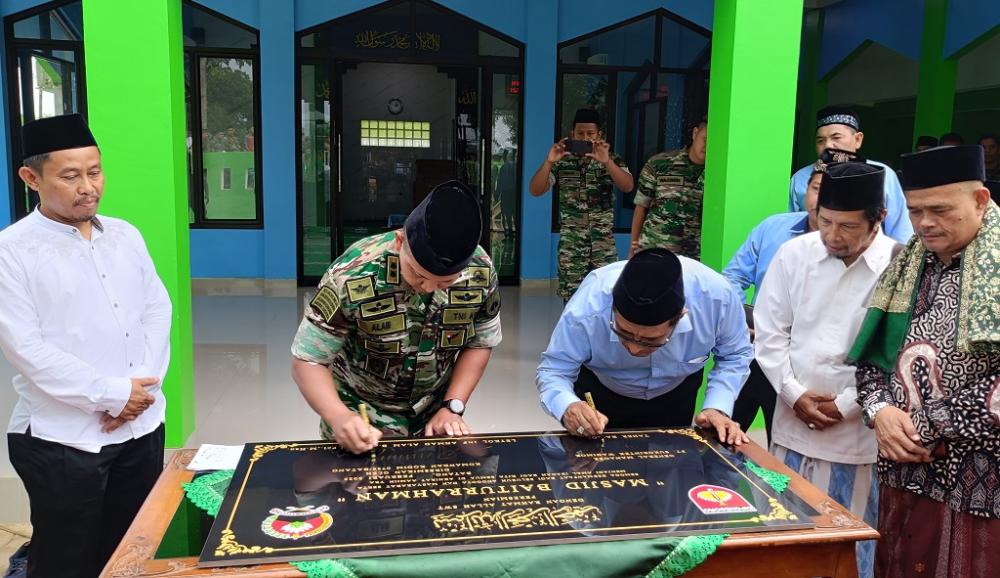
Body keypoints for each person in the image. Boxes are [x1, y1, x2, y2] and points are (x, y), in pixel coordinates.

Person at [0, 114, 172, 578]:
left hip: (140, 429)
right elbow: (26, 348)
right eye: (70, 176)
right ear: (31, 178)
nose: (88, 187)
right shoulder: (11, 251)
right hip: (64, 439)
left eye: (94, 172)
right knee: (66, 559)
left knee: (133, 546)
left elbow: (157, 310)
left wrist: (141, 393)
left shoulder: (125, 234)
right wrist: (114, 395)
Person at [850, 145, 1000, 577]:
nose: (925, 223)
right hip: (902, 470)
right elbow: (871, 357)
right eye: (915, 211)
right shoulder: (906, 265)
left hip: (978, 480)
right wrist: (879, 412)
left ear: (980, 200)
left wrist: (928, 423)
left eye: (939, 209)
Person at [756, 162, 896, 578]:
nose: (833, 236)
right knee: (783, 535)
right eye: (825, 221)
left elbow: (894, 351)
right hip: (791, 421)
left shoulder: (900, 264)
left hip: (857, 434)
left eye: (848, 227)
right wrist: (794, 394)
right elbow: (769, 333)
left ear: (879, 219)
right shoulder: (794, 254)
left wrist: (848, 405)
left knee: (847, 548)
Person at [291, 180, 502, 454]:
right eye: (418, 274)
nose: (427, 288)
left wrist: (453, 406)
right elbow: (308, 360)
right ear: (400, 239)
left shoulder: (480, 272)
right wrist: (339, 417)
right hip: (360, 417)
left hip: (434, 418)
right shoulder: (353, 272)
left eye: (444, 283)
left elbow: (480, 342)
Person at [536, 248, 752, 445]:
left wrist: (717, 407)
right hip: (602, 393)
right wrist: (568, 406)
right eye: (623, 333)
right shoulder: (588, 306)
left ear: (680, 317)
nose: (634, 350)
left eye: (651, 340)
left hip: (677, 392)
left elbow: (735, 354)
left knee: (673, 474)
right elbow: (554, 370)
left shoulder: (716, 298)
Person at [723, 168, 824, 443]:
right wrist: (741, 320)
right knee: (723, 431)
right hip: (753, 347)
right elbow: (733, 277)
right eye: (815, 188)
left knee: (782, 443)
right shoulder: (773, 228)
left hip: (801, 364)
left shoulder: (853, 248)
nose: (821, 198)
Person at [528, 108, 634, 302]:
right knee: (573, 301)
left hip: (603, 245)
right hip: (572, 247)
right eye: (580, 133)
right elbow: (535, 190)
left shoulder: (613, 159)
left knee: (607, 298)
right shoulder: (562, 161)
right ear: (572, 134)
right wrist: (548, 162)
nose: (585, 138)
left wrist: (607, 162)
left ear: (599, 135)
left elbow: (627, 186)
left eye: (590, 134)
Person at [789, 106, 913, 243]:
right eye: (820, 140)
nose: (828, 145)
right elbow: (792, 227)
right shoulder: (800, 178)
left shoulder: (881, 174)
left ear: (858, 140)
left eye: (836, 138)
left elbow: (901, 231)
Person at [629, 116, 707, 258]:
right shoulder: (660, 164)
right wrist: (633, 247)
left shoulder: (720, 175)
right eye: (705, 139)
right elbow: (641, 206)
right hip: (656, 251)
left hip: (696, 258)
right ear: (695, 133)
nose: (708, 146)